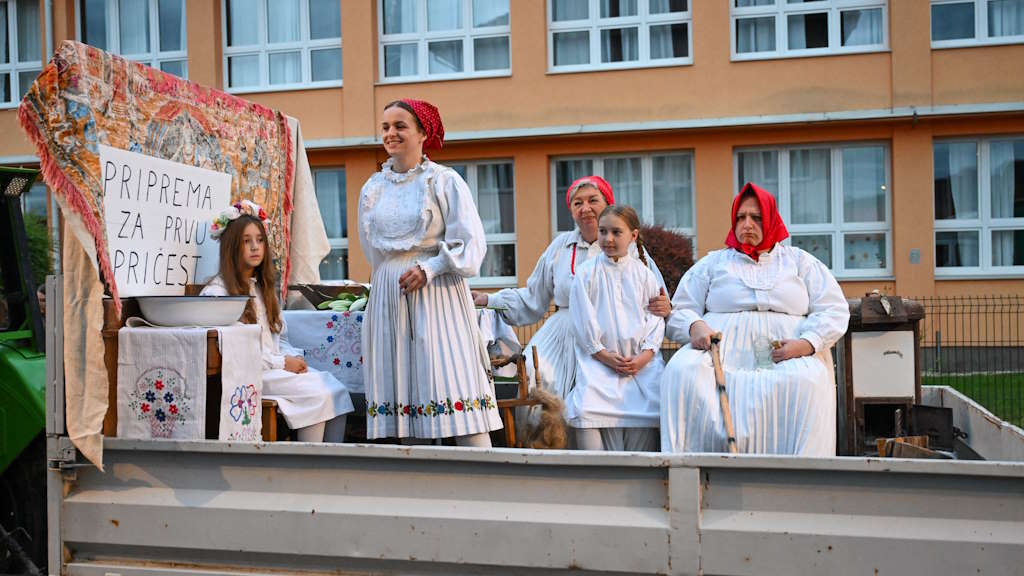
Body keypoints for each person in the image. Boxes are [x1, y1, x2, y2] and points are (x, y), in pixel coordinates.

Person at [471, 176, 670, 442]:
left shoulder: (633, 252)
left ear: (608, 204)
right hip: (563, 332)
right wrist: (490, 300)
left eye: (592, 200)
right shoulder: (560, 247)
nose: (585, 208)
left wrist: (665, 305)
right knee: (538, 376)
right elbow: (533, 298)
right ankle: (548, 457)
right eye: (578, 202)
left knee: (609, 399)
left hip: (614, 338)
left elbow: (657, 300)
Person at [661, 183, 849, 456]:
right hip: (719, 354)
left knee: (808, 381)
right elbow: (680, 308)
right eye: (741, 217)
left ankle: (799, 481)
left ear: (771, 219)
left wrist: (806, 343)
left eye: (756, 217)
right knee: (681, 372)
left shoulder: (799, 262)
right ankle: (691, 475)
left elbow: (834, 309)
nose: (747, 224)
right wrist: (695, 326)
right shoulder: (713, 264)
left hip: (787, 354)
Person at [358, 99, 502, 447]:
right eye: (386, 127)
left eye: (400, 126)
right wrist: (385, 287)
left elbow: (472, 242)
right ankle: (419, 490)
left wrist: (431, 267)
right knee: (406, 398)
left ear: (423, 133)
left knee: (452, 383)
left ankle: (486, 484)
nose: (391, 134)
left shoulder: (443, 181)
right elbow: (372, 250)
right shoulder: (373, 188)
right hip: (390, 298)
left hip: (438, 296)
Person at [201, 200, 354, 443]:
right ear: (231, 246)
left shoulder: (263, 290)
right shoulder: (218, 294)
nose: (255, 247)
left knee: (337, 390)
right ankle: (309, 466)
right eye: (246, 241)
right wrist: (282, 362)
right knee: (318, 394)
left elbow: (278, 335)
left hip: (273, 369)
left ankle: (331, 466)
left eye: (260, 240)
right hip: (247, 374)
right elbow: (236, 350)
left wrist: (294, 358)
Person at [568, 205, 664, 451]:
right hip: (598, 366)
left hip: (641, 369)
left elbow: (655, 320)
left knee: (647, 423)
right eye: (603, 231)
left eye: (616, 232)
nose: (608, 239)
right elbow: (582, 318)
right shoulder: (586, 273)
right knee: (586, 410)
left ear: (633, 236)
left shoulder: (644, 274)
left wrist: (644, 358)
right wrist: (601, 354)